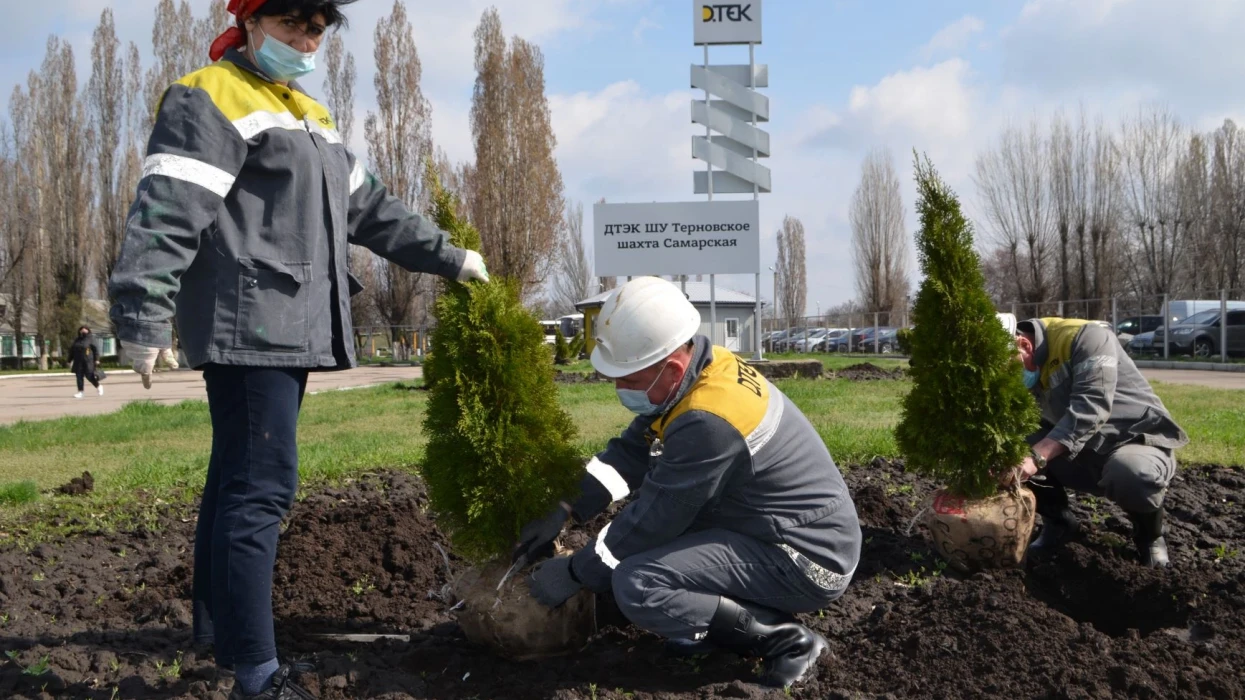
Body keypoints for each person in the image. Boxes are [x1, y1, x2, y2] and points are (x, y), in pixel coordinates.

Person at [106, 1, 489, 698]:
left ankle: (223, 639)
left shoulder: (307, 113)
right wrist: (142, 312)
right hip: (252, 325)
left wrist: (449, 257)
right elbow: (166, 206)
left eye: (316, 30)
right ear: (250, 24)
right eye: (290, 25)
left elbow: (368, 209)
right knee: (262, 490)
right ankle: (258, 675)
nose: (306, 41)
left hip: (284, 323)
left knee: (235, 482)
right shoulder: (212, 94)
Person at [513, 277, 861, 689]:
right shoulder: (700, 373)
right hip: (772, 526)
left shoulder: (707, 421)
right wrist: (566, 506)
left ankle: (787, 642)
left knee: (638, 582)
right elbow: (632, 452)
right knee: (648, 549)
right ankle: (715, 624)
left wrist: (574, 572)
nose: (619, 389)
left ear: (672, 367)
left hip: (807, 558)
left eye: (628, 380)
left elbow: (654, 520)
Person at [1009, 318, 1189, 568]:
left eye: (1007, 369)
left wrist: (1037, 456)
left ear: (1024, 345)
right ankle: (1058, 522)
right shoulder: (1025, 369)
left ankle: (1149, 536)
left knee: (1131, 473)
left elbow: (1091, 406)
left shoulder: (1085, 337)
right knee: (1008, 452)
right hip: (1078, 452)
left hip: (1132, 439)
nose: (1007, 379)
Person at [68, 326, 103, 399]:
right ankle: (81, 392)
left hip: (88, 361)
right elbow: (72, 351)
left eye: (85, 330)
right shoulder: (77, 340)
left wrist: (97, 359)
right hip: (78, 361)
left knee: (89, 376)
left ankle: (98, 386)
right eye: (81, 330)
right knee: (79, 377)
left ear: (88, 331)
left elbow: (96, 350)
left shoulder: (91, 339)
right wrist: (69, 360)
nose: (83, 331)